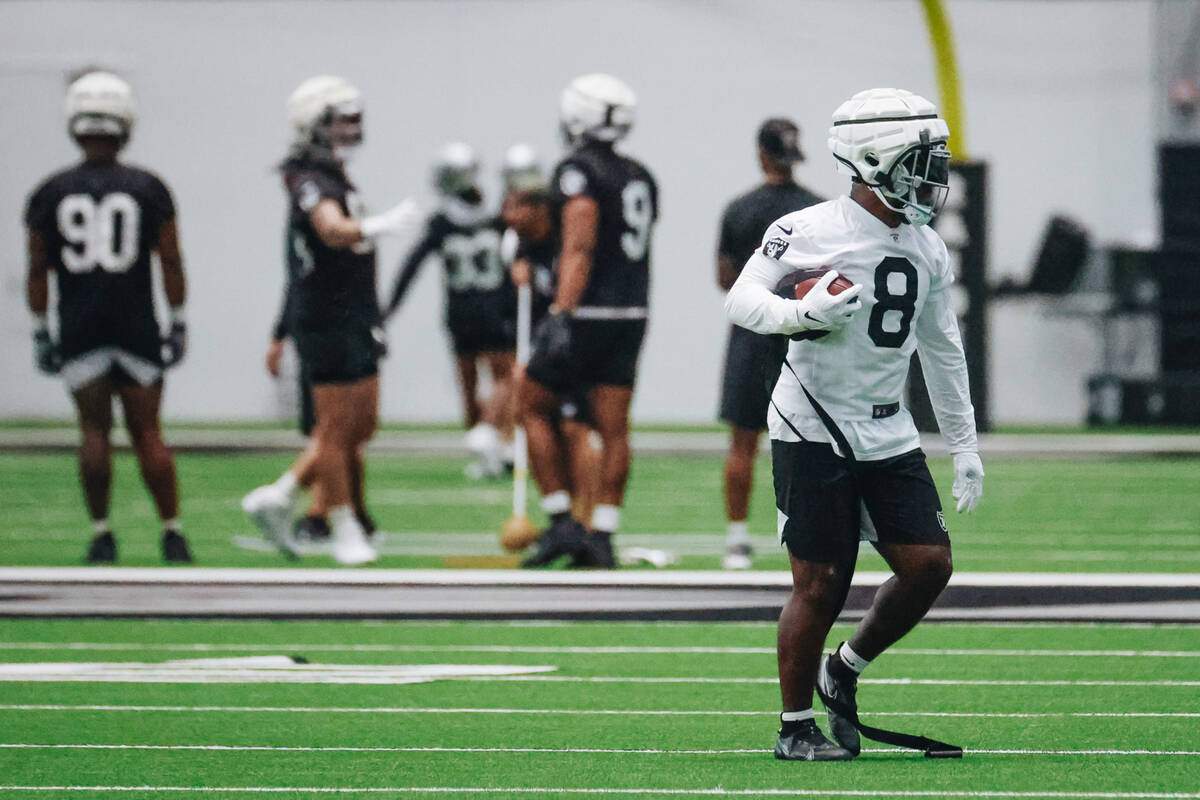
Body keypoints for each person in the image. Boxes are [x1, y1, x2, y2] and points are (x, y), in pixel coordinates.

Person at [724, 88, 985, 761]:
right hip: (813, 422)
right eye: (919, 162)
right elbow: (743, 297)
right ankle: (793, 727)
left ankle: (844, 668)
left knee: (929, 565)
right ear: (873, 161)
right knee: (821, 583)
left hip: (888, 426)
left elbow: (943, 348)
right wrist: (796, 317)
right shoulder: (808, 228)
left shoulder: (926, 246)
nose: (933, 178)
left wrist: (964, 444)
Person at [242, 75, 417, 565]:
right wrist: (374, 225)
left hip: (353, 311)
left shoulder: (332, 173)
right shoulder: (307, 177)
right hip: (327, 317)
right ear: (313, 124)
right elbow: (331, 230)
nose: (350, 128)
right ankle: (341, 526)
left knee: (361, 424)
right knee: (337, 427)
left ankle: (281, 493)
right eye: (339, 119)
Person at [24, 71, 192, 564]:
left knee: (94, 433)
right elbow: (171, 259)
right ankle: (172, 532)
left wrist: (40, 330)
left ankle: (102, 533)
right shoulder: (147, 187)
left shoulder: (50, 192)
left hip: (80, 325)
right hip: (136, 323)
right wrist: (178, 318)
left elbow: (39, 269)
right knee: (149, 434)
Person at [519, 73, 658, 569]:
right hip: (632, 310)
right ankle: (602, 533)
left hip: (588, 311)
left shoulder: (578, 171)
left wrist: (561, 309)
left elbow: (579, 245)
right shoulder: (640, 173)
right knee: (614, 427)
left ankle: (560, 521)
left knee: (530, 404)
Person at [716, 118, 823, 570]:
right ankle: (816, 532)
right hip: (805, 334)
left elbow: (724, 279)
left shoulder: (740, 209)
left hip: (753, 333)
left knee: (744, 441)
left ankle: (737, 539)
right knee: (816, 440)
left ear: (761, 153)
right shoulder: (818, 209)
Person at [386, 143, 516, 480]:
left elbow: (410, 266)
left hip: (459, 312)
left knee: (469, 385)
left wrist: (389, 308)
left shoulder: (441, 222)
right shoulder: (498, 216)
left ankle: (483, 444)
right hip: (495, 308)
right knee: (507, 377)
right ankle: (493, 435)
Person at [499, 146, 600, 527]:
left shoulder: (565, 241)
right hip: (545, 347)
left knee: (576, 427)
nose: (507, 217)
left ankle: (584, 521)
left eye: (515, 207)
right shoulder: (522, 247)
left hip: (577, 343)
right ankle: (563, 517)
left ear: (540, 208)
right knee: (538, 413)